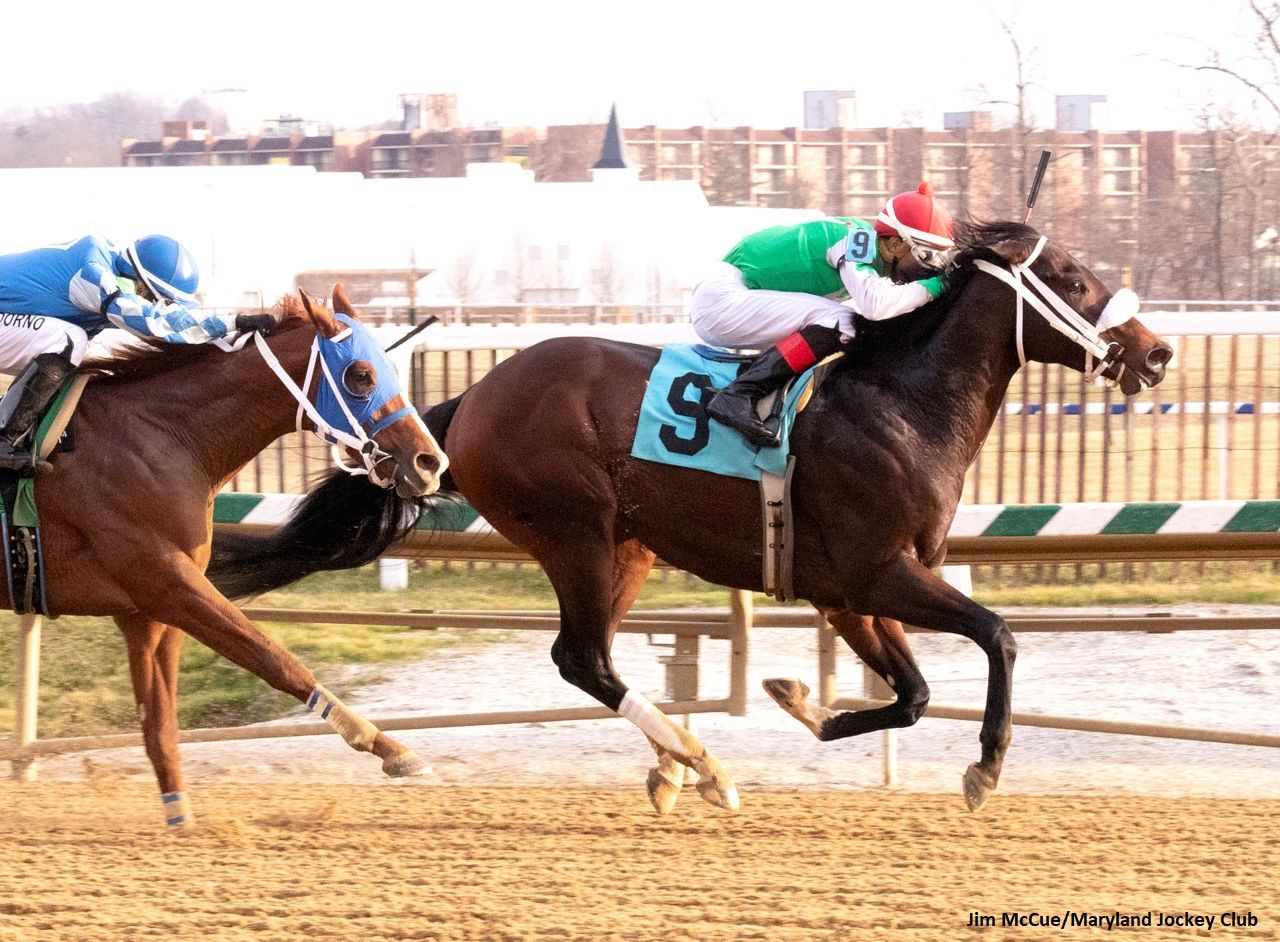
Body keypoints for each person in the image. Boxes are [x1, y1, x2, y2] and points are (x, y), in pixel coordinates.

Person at [690, 183, 957, 447]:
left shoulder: (866, 247)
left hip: (735, 295)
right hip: (721, 299)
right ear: (896, 244)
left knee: (842, 321)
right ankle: (738, 395)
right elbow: (875, 305)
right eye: (926, 256)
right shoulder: (857, 239)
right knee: (843, 321)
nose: (928, 269)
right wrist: (939, 285)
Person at [0, 234, 274, 471]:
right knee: (71, 340)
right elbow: (152, 321)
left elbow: (168, 324)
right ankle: (5, 438)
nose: (159, 306)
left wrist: (230, 336)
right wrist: (232, 322)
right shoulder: (93, 274)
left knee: (96, 351)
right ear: (141, 284)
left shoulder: (108, 269)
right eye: (159, 300)